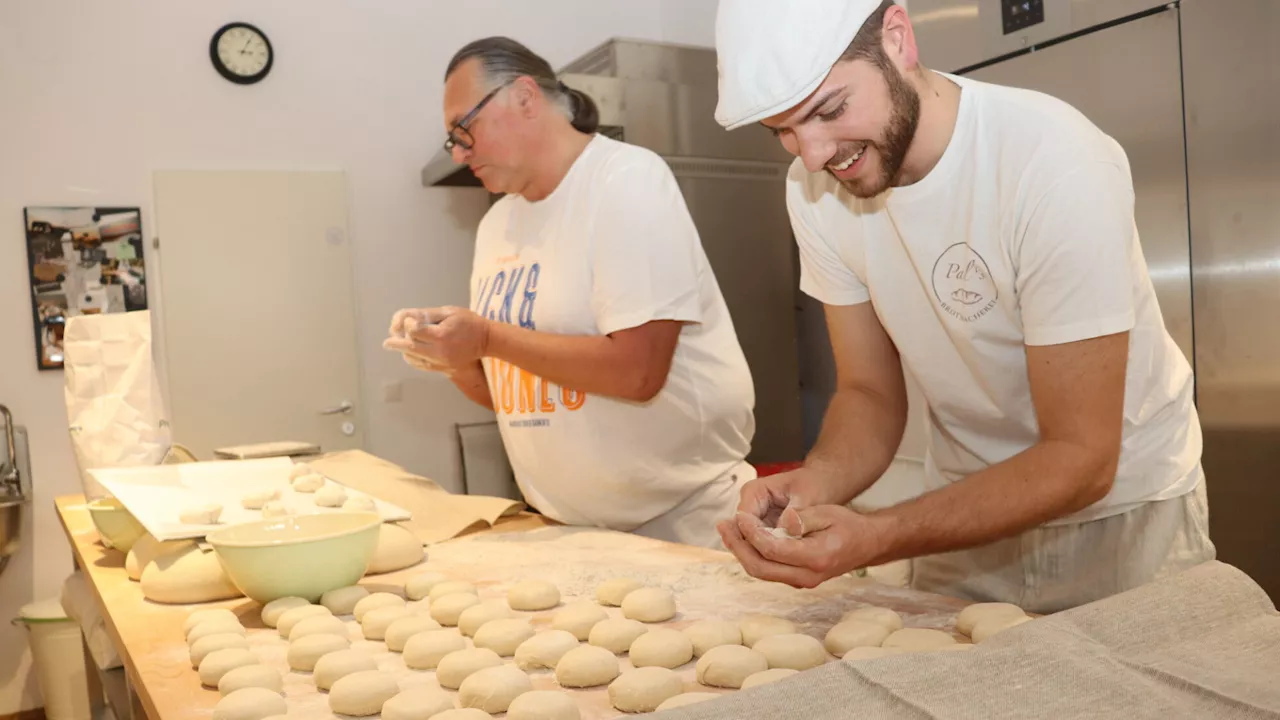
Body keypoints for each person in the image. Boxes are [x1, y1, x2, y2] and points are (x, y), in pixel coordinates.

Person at [710, 0, 1214, 612]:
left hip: (1122, 522)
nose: (813, 154)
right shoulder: (813, 193)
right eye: (783, 132)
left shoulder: (1051, 160)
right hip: (960, 516)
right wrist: (814, 486)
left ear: (898, 40)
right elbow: (868, 393)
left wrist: (878, 536)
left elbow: (1082, 458)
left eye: (831, 110)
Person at [384, 37, 756, 548]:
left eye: (463, 129)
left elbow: (638, 372)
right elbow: (513, 399)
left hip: (688, 527)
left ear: (524, 97)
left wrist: (487, 338)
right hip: (569, 530)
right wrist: (454, 357)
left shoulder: (624, 180)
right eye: (453, 140)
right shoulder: (497, 226)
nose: (460, 151)